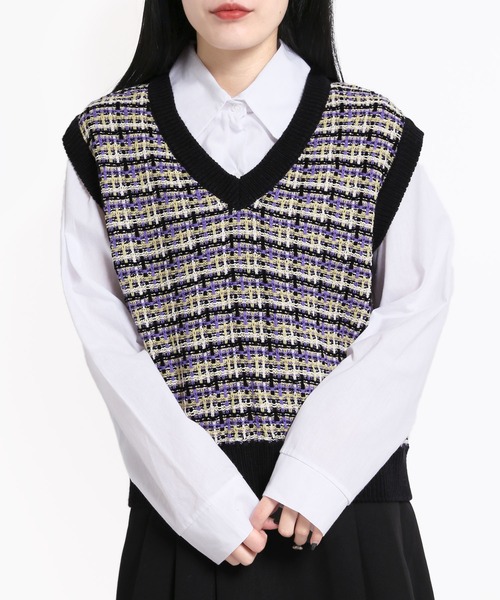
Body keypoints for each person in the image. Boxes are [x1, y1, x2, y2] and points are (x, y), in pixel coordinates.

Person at [60, 0, 454, 598]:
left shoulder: (375, 133)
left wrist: (319, 472)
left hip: (349, 517)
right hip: (184, 531)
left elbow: (413, 311)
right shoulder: (107, 140)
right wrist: (199, 497)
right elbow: (106, 338)